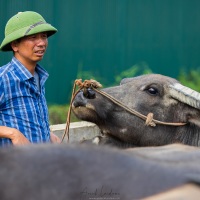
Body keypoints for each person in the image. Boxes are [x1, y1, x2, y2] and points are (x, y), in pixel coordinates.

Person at [0, 11, 61, 147]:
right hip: (12, 165)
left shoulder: (38, 77)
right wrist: (12, 133)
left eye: (44, 36)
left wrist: (46, 134)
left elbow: (30, 119)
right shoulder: (4, 79)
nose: (41, 43)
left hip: (38, 163)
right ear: (15, 45)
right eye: (33, 37)